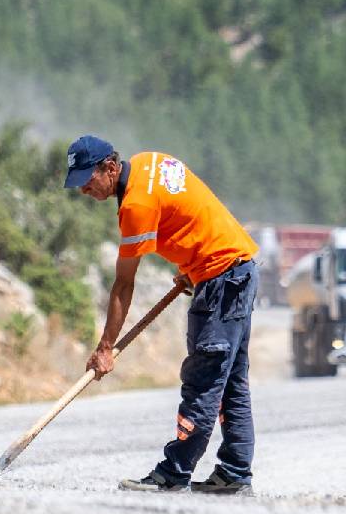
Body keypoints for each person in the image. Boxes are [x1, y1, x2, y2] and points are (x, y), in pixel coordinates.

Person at [64, 135, 259, 495]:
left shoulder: (135, 205)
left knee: (205, 378)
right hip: (237, 268)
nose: (84, 191)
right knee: (230, 381)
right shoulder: (149, 162)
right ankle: (234, 473)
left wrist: (105, 347)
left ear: (109, 167)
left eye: (87, 181)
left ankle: (174, 473)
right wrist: (193, 263)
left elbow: (123, 285)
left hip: (221, 278)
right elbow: (189, 210)